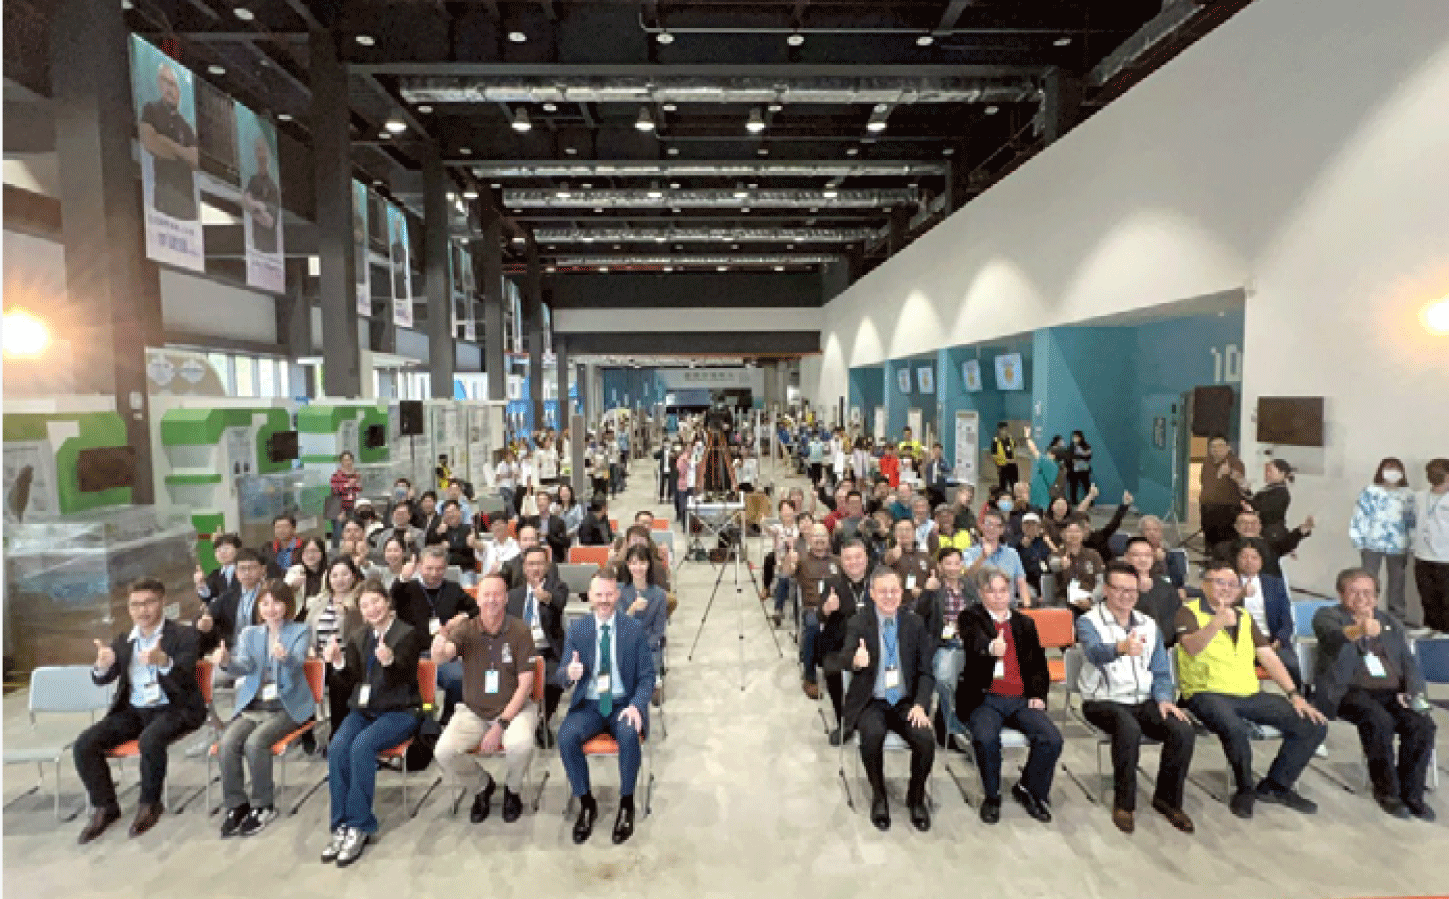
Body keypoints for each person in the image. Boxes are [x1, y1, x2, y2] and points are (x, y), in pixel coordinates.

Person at [1175, 559, 1328, 818]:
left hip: (1247, 693)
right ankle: (1244, 789)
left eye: (1232, 584)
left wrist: (1295, 695)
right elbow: (1190, 647)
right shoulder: (1188, 612)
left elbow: (1268, 657)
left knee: (1312, 724)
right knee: (1235, 728)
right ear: (1204, 585)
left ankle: (1276, 786)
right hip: (1204, 692)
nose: (1226, 588)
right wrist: (1215, 623)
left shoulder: (1244, 616)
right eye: (1219, 582)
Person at [73, 578, 206, 844]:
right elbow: (103, 678)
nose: (142, 610)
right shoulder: (125, 641)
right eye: (135, 605)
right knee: (84, 744)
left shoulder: (184, 635)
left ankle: (149, 803)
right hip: (134, 710)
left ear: (162, 602)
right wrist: (101, 666)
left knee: (150, 740)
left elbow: (186, 678)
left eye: (149, 603)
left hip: (175, 707)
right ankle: (105, 806)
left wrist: (164, 661)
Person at [1076, 563, 1196, 834]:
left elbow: (1161, 671)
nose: (1126, 596)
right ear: (1106, 590)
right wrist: (1120, 648)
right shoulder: (1089, 621)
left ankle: (1168, 800)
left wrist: (1164, 699)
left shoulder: (1148, 624)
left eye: (1131, 590)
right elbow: (1094, 652)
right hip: (1102, 700)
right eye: (1119, 589)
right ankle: (1124, 804)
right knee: (1127, 728)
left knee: (1182, 729)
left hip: (1143, 699)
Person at [1312, 569, 1436, 821]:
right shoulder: (1328, 616)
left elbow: (1408, 662)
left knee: (1422, 724)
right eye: (1354, 592)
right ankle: (1387, 791)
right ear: (1341, 594)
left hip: (1392, 692)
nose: (1362, 598)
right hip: (1348, 691)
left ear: (1377, 597)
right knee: (1379, 721)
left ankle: (1412, 793)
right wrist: (1360, 630)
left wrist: (1412, 692)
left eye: (1368, 593)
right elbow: (1332, 638)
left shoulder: (1389, 622)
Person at [319, 579, 424, 867]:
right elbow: (350, 681)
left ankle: (359, 824)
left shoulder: (406, 633)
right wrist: (338, 663)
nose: (372, 609)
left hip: (399, 710)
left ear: (387, 602)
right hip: (364, 709)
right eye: (365, 605)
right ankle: (340, 824)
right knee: (338, 746)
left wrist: (390, 662)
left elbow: (405, 677)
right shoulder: (359, 636)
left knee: (362, 747)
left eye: (376, 601)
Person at [825, 568, 935, 832]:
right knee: (872, 735)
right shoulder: (859, 622)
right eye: (882, 591)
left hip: (905, 701)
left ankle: (916, 796)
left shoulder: (914, 624)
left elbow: (926, 672)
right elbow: (838, 659)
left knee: (925, 739)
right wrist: (855, 660)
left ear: (902, 593)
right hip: (871, 700)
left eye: (894, 591)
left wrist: (920, 704)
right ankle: (879, 795)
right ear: (872, 594)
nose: (889, 596)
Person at [555, 572, 656, 845]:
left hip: (623, 703)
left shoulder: (633, 629)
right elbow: (561, 675)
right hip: (588, 705)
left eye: (609, 594)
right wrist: (569, 673)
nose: (604, 600)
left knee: (629, 734)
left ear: (618, 596)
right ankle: (586, 803)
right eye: (599, 595)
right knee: (566, 737)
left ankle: (626, 803)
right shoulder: (578, 630)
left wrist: (636, 705)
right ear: (589, 596)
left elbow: (648, 676)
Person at [957, 566, 1062, 825]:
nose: (998, 596)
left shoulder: (1024, 623)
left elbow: (1038, 665)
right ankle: (992, 796)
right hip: (985, 698)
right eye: (991, 591)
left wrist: (1038, 695)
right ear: (981, 593)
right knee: (986, 738)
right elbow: (974, 641)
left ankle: (1029, 789)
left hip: (1020, 698)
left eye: (1003, 591)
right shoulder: (971, 617)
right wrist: (991, 647)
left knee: (1051, 738)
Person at [430, 574, 538, 825]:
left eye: (497, 594)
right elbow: (442, 657)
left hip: (514, 710)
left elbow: (526, 685)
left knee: (521, 745)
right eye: (486, 595)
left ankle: (512, 790)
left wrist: (501, 725)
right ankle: (481, 786)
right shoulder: (466, 630)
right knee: (444, 752)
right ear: (477, 599)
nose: (491, 600)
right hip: (474, 711)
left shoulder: (520, 630)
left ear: (506, 598)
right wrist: (440, 642)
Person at [212, 579, 312, 837]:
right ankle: (236, 805)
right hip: (254, 705)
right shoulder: (250, 634)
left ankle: (263, 805)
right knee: (227, 743)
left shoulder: (300, 630)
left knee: (255, 743)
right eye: (265, 603)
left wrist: (285, 657)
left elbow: (298, 662)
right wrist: (227, 661)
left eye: (277, 602)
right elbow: (244, 667)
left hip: (286, 706)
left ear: (287, 604)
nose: (271, 608)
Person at [392, 546, 478, 723]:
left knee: (458, 679)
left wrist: (462, 617)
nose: (434, 573)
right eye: (429, 568)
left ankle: (449, 717)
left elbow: (476, 609)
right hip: (413, 654)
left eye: (439, 569)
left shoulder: (453, 588)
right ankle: (423, 722)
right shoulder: (407, 588)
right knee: (411, 687)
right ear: (419, 567)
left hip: (444, 653)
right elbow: (391, 599)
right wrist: (403, 578)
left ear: (445, 568)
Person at [507, 546, 571, 736]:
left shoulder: (558, 588)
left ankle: (543, 721)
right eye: (531, 564)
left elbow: (559, 601)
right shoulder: (514, 595)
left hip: (548, 649)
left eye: (540, 564)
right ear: (524, 567)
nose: (535, 568)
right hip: (520, 651)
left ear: (547, 566)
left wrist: (546, 598)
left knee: (556, 680)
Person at [1350, 458, 1418, 626]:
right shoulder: (1370, 491)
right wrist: (1357, 538)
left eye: (1396, 469)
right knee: (1368, 580)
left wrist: (1413, 542)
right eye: (1388, 468)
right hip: (1371, 543)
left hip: (1399, 544)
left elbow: (1412, 520)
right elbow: (1360, 515)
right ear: (1381, 471)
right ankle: (1365, 613)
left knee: (1397, 582)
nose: (1392, 473)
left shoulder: (1408, 494)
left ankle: (1396, 618)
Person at [914, 546, 970, 743]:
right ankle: (955, 729)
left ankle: (953, 723)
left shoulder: (970, 587)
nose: (953, 568)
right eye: (948, 563)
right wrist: (928, 592)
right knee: (945, 679)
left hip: (968, 644)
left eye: (957, 563)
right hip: (943, 644)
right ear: (940, 566)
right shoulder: (934, 588)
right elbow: (919, 614)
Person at [304, 558, 365, 731]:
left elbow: (360, 634)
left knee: (337, 678)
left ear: (353, 576)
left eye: (344, 574)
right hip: (319, 658)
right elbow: (308, 629)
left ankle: (337, 731)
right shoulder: (321, 601)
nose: (339, 579)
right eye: (334, 575)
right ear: (328, 579)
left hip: (347, 660)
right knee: (300, 677)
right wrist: (310, 648)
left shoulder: (359, 601)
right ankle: (307, 732)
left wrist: (347, 611)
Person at [1233, 539, 1301, 687]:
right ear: (1236, 559)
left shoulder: (1274, 584)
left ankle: (1298, 697)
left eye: (1254, 557)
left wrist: (1278, 641)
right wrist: (1239, 594)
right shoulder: (1228, 584)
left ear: (1261, 562)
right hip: (1238, 642)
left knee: (1292, 665)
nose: (1249, 561)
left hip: (1272, 640)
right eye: (1244, 556)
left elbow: (1286, 619)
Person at [137, 63, 199, 221]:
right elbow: (149, 142)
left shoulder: (185, 125)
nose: (170, 89)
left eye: (173, 84)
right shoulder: (151, 109)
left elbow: (195, 160)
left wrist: (165, 142)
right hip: (163, 207)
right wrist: (182, 153)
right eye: (166, 82)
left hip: (187, 210)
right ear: (159, 84)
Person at [787, 524, 841, 700]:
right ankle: (810, 677)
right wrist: (790, 560)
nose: (819, 539)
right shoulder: (802, 560)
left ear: (828, 539)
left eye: (823, 535)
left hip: (836, 608)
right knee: (812, 626)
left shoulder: (838, 561)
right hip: (813, 608)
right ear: (809, 540)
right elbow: (787, 572)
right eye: (815, 536)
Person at [619, 545, 669, 705]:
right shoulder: (620, 592)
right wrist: (632, 609)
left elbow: (658, 629)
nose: (638, 567)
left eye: (642, 562)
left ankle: (650, 687)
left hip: (649, 645)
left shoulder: (659, 595)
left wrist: (644, 647)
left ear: (648, 564)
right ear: (628, 565)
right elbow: (618, 625)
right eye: (633, 563)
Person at [195, 549, 266, 656]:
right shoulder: (228, 596)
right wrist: (204, 621)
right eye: (242, 568)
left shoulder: (269, 594)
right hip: (232, 652)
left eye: (252, 568)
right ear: (236, 572)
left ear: (262, 569)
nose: (247, 573)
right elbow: (209, 613)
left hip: (263, 652)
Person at [963, 509, 1033, 607]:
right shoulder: (969, 552)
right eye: (988, 524)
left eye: (997, 525)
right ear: (982, 526)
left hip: (1008, 608)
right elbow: (967, 577)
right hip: (980, 609)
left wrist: (1027, 606)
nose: (992, 528)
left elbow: (1021, 582)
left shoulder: (1012, 553)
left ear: (1002, 530)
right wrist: (982, 557)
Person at [1122, 537, 1182, 645]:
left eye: (1147, 555)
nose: (1143, 559)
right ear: (1126, 557)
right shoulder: (1117, 587)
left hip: (1161, 646)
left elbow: (1172, 628)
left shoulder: (1167, 589)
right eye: (1136, 555)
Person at [1413, 458, 1449, 634]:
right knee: (1427, 598)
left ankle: (1445, 635)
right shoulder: (1419, 497)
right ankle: (1429, 630)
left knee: (1446, 601)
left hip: (1446, 558)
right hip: (1423, 555)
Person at [1048, 519, 1104, 615]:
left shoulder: (1093, 555)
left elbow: (1101, 582)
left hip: (1089, 600)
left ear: (1083, 534)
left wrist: (1091, 599)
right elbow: (1053, 565)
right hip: (1064, 601)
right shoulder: (1057, 554)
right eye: (1070, 531)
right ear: (1063, 535)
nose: (1073, 535)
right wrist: (1061, 564)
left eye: (1077, 531)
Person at [1199, 436, 1247, 548]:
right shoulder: (1207, 462)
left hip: (1227, 508)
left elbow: (1241, 481)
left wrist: (1230, 472)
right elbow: (1203, 481)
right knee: (1210, 540)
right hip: (1208, 507)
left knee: (1226, 542)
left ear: (1228, 448)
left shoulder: (1235, 462)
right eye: (1213, 446)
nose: (1216, 449)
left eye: (1220, 446)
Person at [241, 134, 280, 253]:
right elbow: (245, 202)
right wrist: (258, 208)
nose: (261, 154)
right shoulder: (253, 181)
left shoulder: (273, 187)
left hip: (269, 251)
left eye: (263, 150)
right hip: (255, 247)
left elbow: (270, 222)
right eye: (258, 150)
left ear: (268, 154)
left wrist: (254, 207)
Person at [884, 518, 935, 606]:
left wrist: (927, 588)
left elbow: (934, 578)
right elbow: (885, 564)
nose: (904, 533)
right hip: (897, 605)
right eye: (900, 530)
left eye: (907, 529)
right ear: (895, 534)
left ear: (914, 533)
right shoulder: (889, 554)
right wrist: (892, 556)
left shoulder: (925, 556)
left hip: (923, 605)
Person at [1250, 459, 1296, 544]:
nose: (1267, 474)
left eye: (1270, 471)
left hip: (1272, 535)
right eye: (1266, 471)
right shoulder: (1268, 489)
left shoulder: (1281, 493)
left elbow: (1263, 509)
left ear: (1282, 474)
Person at [1138, 515, 1187, 589]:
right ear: (1141, 533)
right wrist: (1154, 559)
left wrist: (1180, 589)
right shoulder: (1136, 550)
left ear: (1161, 533)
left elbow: (1177, 579)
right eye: (1147, 530)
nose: (1152, 533)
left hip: (1168, 586)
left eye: (1155, 530)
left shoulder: (1168, 550)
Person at [522, 491, 570, 565]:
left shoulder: (558, 521)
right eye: (539, 500)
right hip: (535, 552)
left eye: (544, 499)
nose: (541, 503)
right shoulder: (532, 520)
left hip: (554, 554)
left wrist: (547, 535)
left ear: (549, 502)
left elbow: (564, 543)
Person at [1012, 513, 1053, 598]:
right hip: (1022, 581)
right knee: (1031, 595)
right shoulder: (1015, 541)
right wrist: (1021, 545)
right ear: (1022, 526)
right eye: (1026, 523)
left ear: (1038, 527)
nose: (1029, 526)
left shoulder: (1042, 542)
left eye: (1033, 523)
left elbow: (1047, 561)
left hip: (1041, 580)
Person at [194, 532, 241, 602]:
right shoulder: (215, 575)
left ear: (237, 550)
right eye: (218, 550)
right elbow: (208, 598)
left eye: (225, 549)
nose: (221, 553)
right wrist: (201, 584)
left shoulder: (244, 570)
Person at [329, 451, 362, 549]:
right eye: (345, 460)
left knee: (352, 531)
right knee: (338, 532)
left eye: (349, 460)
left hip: (352, 506)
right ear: (341, 461)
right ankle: (334, 552)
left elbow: (358, 490)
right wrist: (348, 484)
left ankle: (351, 550)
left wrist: (357, 484)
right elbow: (336, 491)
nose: (348, 462)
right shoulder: (336, 475)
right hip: (339, 507)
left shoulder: (356, 474)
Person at [286, 538, 329, 612]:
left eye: (314, 551)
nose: (310, 555)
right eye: (306, 551)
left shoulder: (329, 573)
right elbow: (283, 594)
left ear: (322, 553)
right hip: (297, 616)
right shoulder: (295, 571)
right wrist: (293, 587)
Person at [1066, 430, 1093, 505]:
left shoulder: (1086, 446)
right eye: (1074, 437)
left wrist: (1079, 456)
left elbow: (1088, 457)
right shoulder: (1071, 447)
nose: (1075, 438)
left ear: (1081, 437)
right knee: (1073, 487)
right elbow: (1069, 457)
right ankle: (1074, 502)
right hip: (1074, 470)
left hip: (1084, 469)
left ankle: (1090, 502)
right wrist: (1081, 456)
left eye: (1077, 436)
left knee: (1086, 486)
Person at [990, 422, 1018, 491]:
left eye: (1006, 429)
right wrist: (1005, 460)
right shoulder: (995, 441)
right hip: (1003, 466)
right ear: (999, 430)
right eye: (1003, 429)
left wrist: (1013, 459)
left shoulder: (1010, 439)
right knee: (1003, 486)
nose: (1004, 431)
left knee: (1015, 485)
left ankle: (1014, 496)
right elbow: (994, 455)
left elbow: (1015, 448)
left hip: (1012, 465)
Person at [921, 443, 949, 509]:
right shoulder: (929, 462)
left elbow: (948, 471)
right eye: (935, 450)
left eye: (938, 450)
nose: (937, 452)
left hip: (940, 488)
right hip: (930, 488)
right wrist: (927, 460)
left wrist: (938, 464)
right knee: (930, 506)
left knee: (941, 507)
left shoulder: (944, 462)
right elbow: (923, 471)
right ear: (933, 451)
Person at [495, 449, 519, 516]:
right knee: (509, 503)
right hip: (504, 487)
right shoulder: (501, 465)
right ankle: (513, 516)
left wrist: (516, 474)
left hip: (512, 488)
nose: (510, 457)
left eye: (512, 456)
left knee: (508, 505)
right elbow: (497, 478)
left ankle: (508, 518)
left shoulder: (514, 465)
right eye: (509, 455)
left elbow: (517, 476)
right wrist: (506, 475)